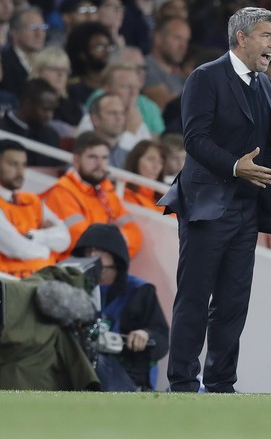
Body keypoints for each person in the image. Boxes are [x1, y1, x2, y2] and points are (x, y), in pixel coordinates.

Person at [157, 7, 271, 393]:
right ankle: (183, 385)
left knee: (233, 302)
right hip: (206, 204)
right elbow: (195, 139)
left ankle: (222, 384)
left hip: (246, 208)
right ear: (242, 38)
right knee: (194, 297)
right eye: (267, 36)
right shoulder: (205, 77)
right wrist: (235, 166)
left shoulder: (263, 84)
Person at [72, 223, 169, 391]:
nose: (92, 256)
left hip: (128, 374)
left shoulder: (140, 291)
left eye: (99, 251)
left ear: (116, 256)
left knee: (95, 360)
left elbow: (161, 339)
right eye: (88, 251)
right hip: (85, 368)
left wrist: (145, 334)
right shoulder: (75, 289)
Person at [41, 131, 143, 260]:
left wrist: (110, 245)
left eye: (104, 158)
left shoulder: (107, 191)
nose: (100, 164)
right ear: (76, 160)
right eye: (93, 157)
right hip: (70, 269)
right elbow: (81, 241)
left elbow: (136, 236)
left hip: (105, 268)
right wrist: (118, 241)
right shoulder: (62, 192)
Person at [0, 139, 70, 278]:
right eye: (13, 164)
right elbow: (17, 248)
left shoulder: (32, 200)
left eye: (24, 165)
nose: (20, 172)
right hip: (10, 284)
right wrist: (47, 249)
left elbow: (65, 238)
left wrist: (33, 236)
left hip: (42, 278)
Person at [123, 140, 165, 212]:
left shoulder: (164, 197)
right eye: (151, 159)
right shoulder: (123, 191)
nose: (156, 166)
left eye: (160, 162)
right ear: (136, 160)